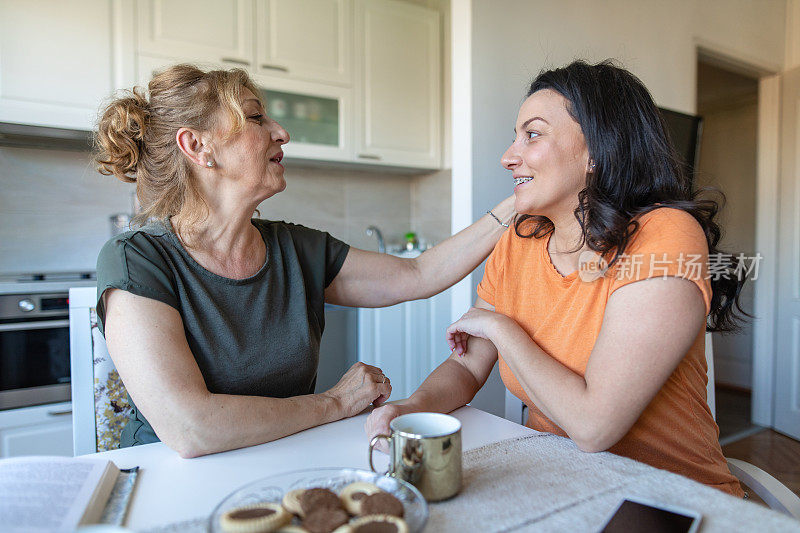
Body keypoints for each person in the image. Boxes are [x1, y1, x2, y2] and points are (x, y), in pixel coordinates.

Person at [366, 60, 747, 496]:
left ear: (597, 151)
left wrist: (499, 327)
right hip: (560, 482)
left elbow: (593, 426)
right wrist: (413, 408)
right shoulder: (521, 239)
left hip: (671, 500)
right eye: (515, 137)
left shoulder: (665, 235)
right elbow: (468, 364)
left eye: (532, 134)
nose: (508, 157)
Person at [94, 64, 515, 457]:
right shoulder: (138, 260)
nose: (282, 133)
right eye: (257, 118)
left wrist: (518, 204)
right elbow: (191, 428)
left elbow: (419, 274)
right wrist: (335, 402)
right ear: (197, 145)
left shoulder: (297, 250)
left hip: (286, 457)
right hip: (165, 478)